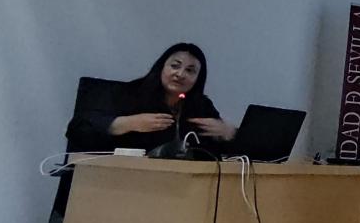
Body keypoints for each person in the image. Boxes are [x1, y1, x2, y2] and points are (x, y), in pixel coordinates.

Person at [66, 43, 237, 153]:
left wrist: (229, 134)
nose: (180, 74)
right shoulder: (129, 93)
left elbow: (220, 154)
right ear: (161, 67)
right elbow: (77, 128)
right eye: (175, 66)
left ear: (198, 79)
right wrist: (128, 123)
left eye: (190, 71)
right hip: (121, 183)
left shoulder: (201, 106)